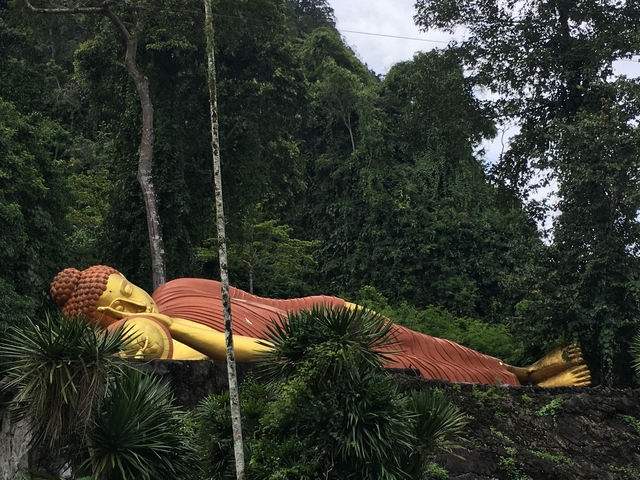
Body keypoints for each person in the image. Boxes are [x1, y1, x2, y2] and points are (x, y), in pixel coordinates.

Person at [50, 265, 591, 387]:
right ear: (113, 315)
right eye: (123, 297)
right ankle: (518, 380)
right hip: (300, 339)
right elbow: (235, 349)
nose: (135, 294)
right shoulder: (149, 326)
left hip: (303, 314)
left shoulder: (170, 294)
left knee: (409, 339)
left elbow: (243, 308)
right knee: (402, 357)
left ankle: (512, 371)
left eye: (125, 285)